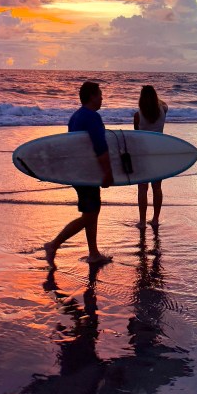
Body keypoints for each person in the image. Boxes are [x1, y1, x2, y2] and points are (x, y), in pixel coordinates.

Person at [44, 81, 114, 268]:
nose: (102, 98)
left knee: (91, 211)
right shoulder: (92, 117)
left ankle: (94, 253)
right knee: (89, 216)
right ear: (91, 96)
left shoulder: (76, 116)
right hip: (86, 174)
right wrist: (107, 172)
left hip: (78, 172)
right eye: (99, 94)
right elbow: (100, 147)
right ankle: (53, 245)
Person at [133, 85, 168, 228]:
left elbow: (137, 135)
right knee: (157, 187)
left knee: (142, 188)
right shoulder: (163, 110)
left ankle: (142, 222)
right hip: (159, 153)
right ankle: (155, 219)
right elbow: (164, 103)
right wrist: (156, 100)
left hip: (143, 155)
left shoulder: (138, 116)